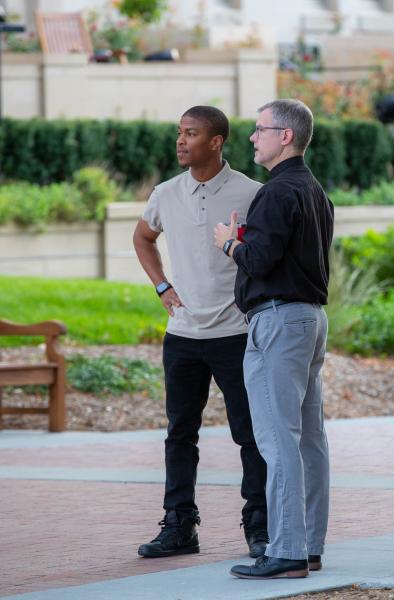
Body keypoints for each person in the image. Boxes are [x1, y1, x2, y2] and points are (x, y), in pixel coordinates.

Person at [133, 105, 268, 559]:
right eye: (179, 133)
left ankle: (260, 525)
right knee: (179, 433)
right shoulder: (166, 193)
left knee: (249, 434)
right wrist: (162, 286)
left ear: (216, 141)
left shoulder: (252, 192)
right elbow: (143, 237)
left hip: (235, 333)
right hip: (183, 335)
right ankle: (179, 526)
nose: (180, 141)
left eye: (190, 134)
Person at [214, 99, 334, 579]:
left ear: (285, 136)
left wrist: (228, 240)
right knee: (310, 439)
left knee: (277, 437)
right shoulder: (313, 190)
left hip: (279, 321)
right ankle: (308, 547)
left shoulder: (276, 192)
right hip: (309, 319)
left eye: (259, 129)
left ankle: (286, 551)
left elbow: (258, 260)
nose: (251, 137)